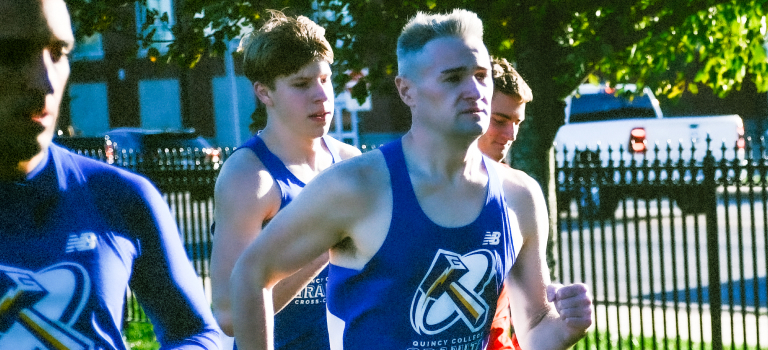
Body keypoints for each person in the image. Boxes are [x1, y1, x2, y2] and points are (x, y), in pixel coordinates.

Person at [230, 9, 593, 350]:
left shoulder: (520, 195)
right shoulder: (357, 185)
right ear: (406, 91)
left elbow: (534, 329)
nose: (474, 91)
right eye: (452, 78)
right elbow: (250, 275)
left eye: (481, 75)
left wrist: (563, 328)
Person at [0, 1, 222, 349]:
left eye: (58, 53)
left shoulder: (120, 197)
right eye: (10, 54)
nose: (43, 81)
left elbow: (199, 334)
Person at [209, 10, 360, 350]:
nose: (321, 95)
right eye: (301, 84)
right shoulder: (249, 177)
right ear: (265, 93)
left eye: (325, 79)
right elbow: (230, 315)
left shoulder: (352, 165)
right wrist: (324, 245)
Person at [480, 57, 533, 350]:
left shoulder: (517, 191)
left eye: (517, 123)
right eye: (499, 121)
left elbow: (531, 314)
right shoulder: (411, 189)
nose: (510, 135)